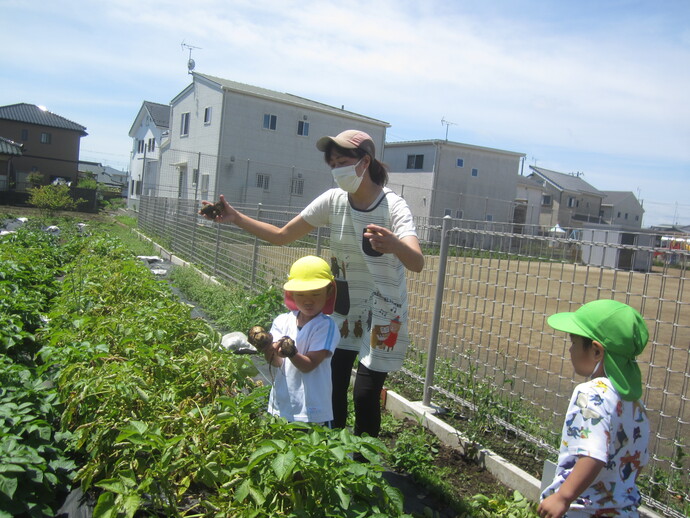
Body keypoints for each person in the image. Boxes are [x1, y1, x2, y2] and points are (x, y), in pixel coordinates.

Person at [200, 129, 424, 437]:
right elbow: (282, 236)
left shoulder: (393, 206)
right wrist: (236, 217)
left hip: (385, 311)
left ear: (365, 162)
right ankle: (336, 455)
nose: (336, 170)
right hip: (345, 307)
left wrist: (395, 245)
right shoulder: (333, 201)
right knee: (333, 381)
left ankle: (365, 465)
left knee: (365, 393)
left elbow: (417, 262)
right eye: (332, 164)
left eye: (343, 161)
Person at [538, 300, 650, 518]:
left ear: (596, 351)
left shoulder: (590, 394)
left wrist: (563, 498)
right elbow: (638, 462)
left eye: (574, 342)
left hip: (584, 510)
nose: (570, 349)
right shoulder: (636, 404)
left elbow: (593, 454)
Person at [264, 255, 340, 425]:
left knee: (312, 450)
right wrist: (265, 346)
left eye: (315, 293)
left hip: (311, 412)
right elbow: (275, 362)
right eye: (301, 294)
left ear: (328, 292)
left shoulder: (326, 326)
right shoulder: (282, 321)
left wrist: (291, 352)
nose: (308, 301)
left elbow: (309, 365)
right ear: (291, 294)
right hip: (281, 407)